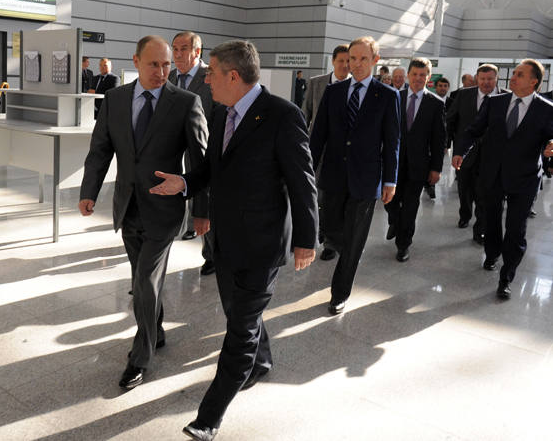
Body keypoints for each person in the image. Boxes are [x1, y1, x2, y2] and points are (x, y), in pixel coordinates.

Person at [150, 40, 318, 441]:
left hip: (261, 246)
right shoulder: (222, 110)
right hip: (225, 243)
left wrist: (307, 240)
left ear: (233, 76)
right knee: (238, 314)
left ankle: (208, 418)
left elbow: (303, 183)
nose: (205, 79)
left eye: (210, 73)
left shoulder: (283, 115)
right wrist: (185, 183)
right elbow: (212, 167)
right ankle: (261, 362)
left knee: (239, 331)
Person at [78, 35, 208, 389]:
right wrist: (88, 192)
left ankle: (142, 355)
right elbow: (100, 149)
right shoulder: (116, 99)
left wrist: (200, 208)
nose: (162, 71)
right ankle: (158, 330)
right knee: (142, 280)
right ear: (135, 62)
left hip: (165, 210)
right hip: (128, 208)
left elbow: (201, 163)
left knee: (145, 283)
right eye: (154, 64)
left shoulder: (186, 102)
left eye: (167, 64)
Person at [309, 35, 400, 315]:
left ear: (375, 60)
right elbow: (318, 135)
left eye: (362, 59)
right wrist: (307, 170)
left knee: (355, 237)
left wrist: (390, 179)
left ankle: (339, 293)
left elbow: (392, 140)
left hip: (367, 178)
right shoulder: (334, 92)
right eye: (352, 59)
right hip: (333, 175)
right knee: (329, 227)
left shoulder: (387, 95)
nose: (356, 64)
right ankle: (346, 250)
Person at [452, 59, 553, 299]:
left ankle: (506, 276)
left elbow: (551, 138)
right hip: (493, 173)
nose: (512, 78)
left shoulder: (547, 109)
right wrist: (460, 151)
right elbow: (474, 129)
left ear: (533, 81)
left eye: (519, 74)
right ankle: (492, 254)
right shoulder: (495, 102)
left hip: (525, 178)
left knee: (516, 229)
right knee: (490, 220)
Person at [384, 58, 446, 262]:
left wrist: (436, 168)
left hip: (419, 165)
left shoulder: (435, 103)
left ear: (428, 78)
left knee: (410, 207)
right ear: (408, 75)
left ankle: (403, 245)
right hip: (393, 162)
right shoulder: (394, 97)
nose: (418, 78)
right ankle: (394, 220)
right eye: (414, 74)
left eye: (422, 75)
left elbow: (439, 138)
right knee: (390, 201)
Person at [169, 31, 218, 275]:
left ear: (197, 51)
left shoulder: (210, 76)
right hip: (174, 150)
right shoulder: (168, 77)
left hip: (202, 150)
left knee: (204, 199)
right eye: (175, 49)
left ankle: (210, 255)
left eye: (183, 49)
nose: (178, 54)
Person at [447, 64, 509, 245]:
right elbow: (451, 119)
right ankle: (465, 214)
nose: (486, 82)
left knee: (485, 193)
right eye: (482, 79)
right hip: (465, 152)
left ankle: (480, 228)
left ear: (496, 79)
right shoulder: (465, 95)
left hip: (492, 155)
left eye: (490, 79)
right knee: (464, 188)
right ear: (476, 79)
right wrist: (449, 144)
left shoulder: (506, 97)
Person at [302, 44, 351, 261]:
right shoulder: (316, 83)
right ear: (333, 61)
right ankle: (320, 230)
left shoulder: (354, 87)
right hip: (316, 153)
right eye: (341, 60)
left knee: (333, 200)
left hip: (340, 157)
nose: (345, 65)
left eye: (349, 61)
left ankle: (330, 243)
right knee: (316, 197)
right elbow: (305, 116)